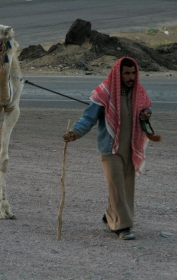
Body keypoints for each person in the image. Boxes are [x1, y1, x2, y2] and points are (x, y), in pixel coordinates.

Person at [62, 57, 153, 240]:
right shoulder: (104, 93)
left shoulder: (138, 92)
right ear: (118, 74)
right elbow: (88, 118)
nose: (131, 77)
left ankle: (108, 217)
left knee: (126, 187)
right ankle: (122, 227)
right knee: (117, 187)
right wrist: (75, 133)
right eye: (126, 73)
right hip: (110, 150)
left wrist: (146, 114)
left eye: (133, 73)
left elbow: (146, 108)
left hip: (130, 148)